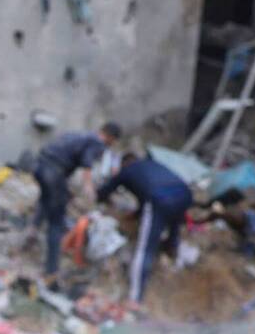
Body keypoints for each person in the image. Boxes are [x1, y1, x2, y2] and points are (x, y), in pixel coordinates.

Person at [97, 150, 195, 303]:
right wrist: (137, 213)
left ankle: (135, 298)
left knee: (145, 248)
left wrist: (99, 197)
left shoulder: (127, 171)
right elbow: (146, 194)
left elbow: (104, 191)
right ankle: (173, 251)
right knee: (174, 225)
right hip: (184, 193)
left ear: (124, 163)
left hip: (161, 198)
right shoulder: (150, 164)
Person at [32, 123, 117, 280]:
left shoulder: (79, 134)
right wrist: (89, 189)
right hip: (54, 172)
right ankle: (51, 270)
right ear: (111, 138)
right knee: (56, 222)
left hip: (39, 165)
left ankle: (32, 231)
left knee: (46, 199)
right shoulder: (97, 142)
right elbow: (87, 165)